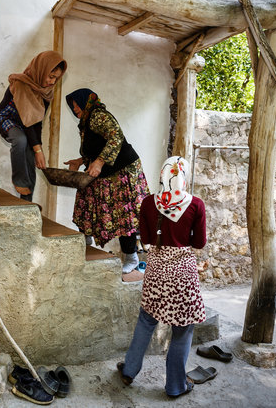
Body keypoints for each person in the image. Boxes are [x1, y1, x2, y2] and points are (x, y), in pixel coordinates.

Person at [117, 156, 207, 398]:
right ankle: (176, 386)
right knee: (183, 328)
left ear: (162, 175)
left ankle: (129, 370)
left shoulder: (148, 203)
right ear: (184, 178)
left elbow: (145, 239)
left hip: (156, 270)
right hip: (183, 274)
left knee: (146, 320)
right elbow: (199, 242)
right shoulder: (196, 205)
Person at [63, 88, 149, 274]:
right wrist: (80, 161)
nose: (74, 108)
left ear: (86, 101)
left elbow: (116, 137)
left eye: (76, 104)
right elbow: (95, 147)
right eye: (72, 106)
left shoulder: (98, 116)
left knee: (123, 213)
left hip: (123, 170)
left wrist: (100, 162)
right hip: (106, 170)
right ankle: (85, 241)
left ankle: (131, 257)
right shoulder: (86, 122)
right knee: (86, 197)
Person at [0, 51, 67, 201]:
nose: (53, 82)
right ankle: (19, 181)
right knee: (21, 141)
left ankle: (26, 201)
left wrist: (37, 148)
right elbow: (27, 120)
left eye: (56, 78)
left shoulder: (46, 92)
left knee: (30, 155)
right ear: (41, 70)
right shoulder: (22, 84)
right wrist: (38, 149)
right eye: (51, 76)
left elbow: (36, 122)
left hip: (27, 124)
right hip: (8, 119)